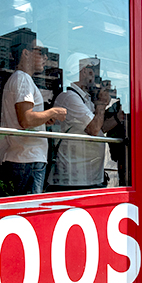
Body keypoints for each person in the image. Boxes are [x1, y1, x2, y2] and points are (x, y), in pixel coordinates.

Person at [0, 37, 66, 194]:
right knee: (28, 212)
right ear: (26, 53)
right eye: (41, 52)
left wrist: (44, 119)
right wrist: (53, 111)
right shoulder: (23, 79)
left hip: (23, 158)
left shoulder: (19, 79)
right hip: (27, 159)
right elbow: (26, 119)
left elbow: (25, 118)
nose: (45, 58)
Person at [49, 55, 112, 190]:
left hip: (89, 176)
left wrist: (118, 117)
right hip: (75, 177)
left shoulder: (85, 98)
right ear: (83, 71)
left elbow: (100, 129)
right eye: (91, 71)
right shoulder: (69, 98)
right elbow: (93, 129)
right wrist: (101, 105)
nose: (94, 75)